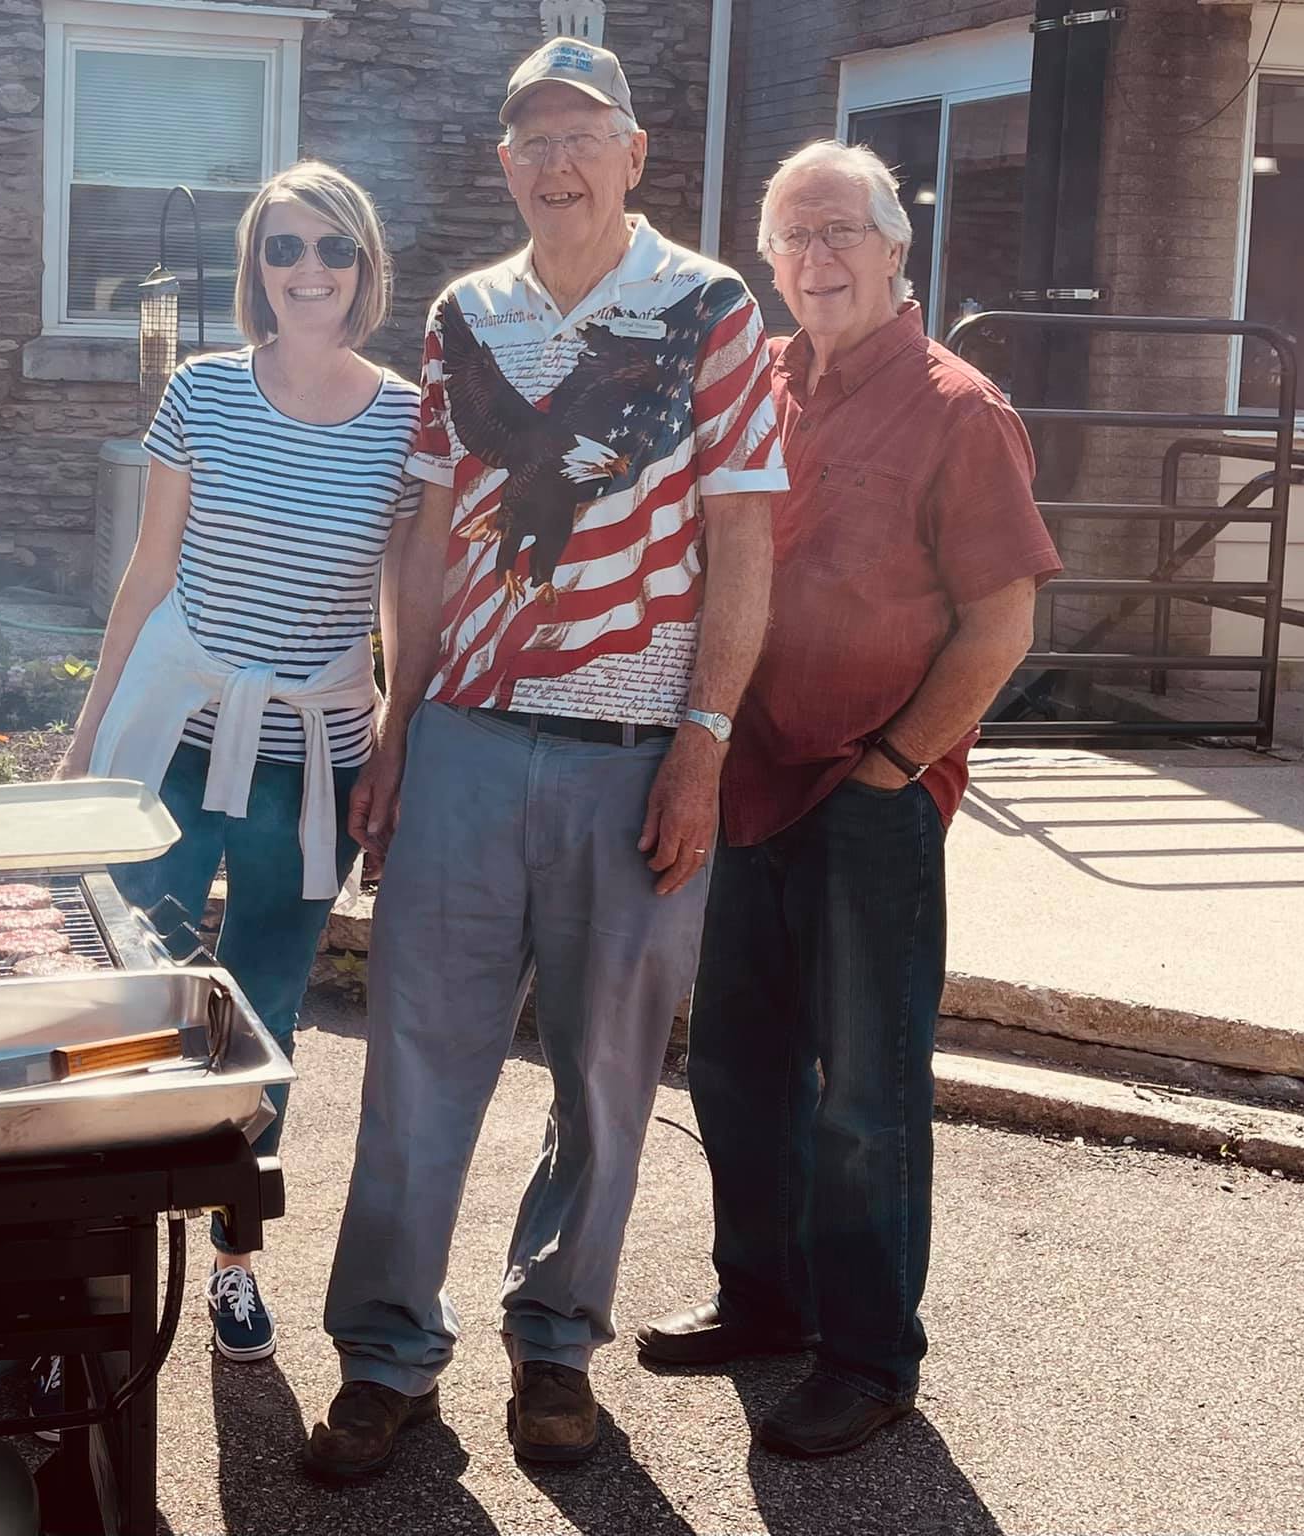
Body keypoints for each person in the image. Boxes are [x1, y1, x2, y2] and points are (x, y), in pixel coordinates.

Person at [305, 37, 785, 1481]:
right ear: (504, 163)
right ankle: (388, 1354)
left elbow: (746, 541)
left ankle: (558, 1339)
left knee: (606, 1073)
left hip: (634, 756)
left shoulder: (709, 307)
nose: (557, 160)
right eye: (532, 138)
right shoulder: (465, 317)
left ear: (636, 155)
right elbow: (434, 529)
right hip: (461, 748)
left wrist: (702, 745)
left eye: (585, 134)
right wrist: (399, 724)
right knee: (415, 1070)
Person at [635, 140, 1060, 1458]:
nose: (816, 260)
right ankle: (766, 1303)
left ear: (895, 250)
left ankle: (872, 1358)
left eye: (841, 234)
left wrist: (893, 765)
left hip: (866, 795)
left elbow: (1001, 623)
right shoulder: (751, 386)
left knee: (864, 1092)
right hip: (741, 780)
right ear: (768, 262)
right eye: (792, 239)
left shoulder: (961, 410)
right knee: (735, 1067)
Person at [56, 160, 421, 1366]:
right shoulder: (203, 395)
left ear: (364, 266)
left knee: (263, 1010)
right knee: (127, 994)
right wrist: (83, 733)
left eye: (330, 249)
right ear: (255, 269)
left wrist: (397, 746)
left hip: (305, 760)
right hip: (175, 736)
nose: (305, 270)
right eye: (282, 249)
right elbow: (147, 574)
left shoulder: (409, 419)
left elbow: (396, 609)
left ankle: (231, 1260)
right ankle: (95, 1259)